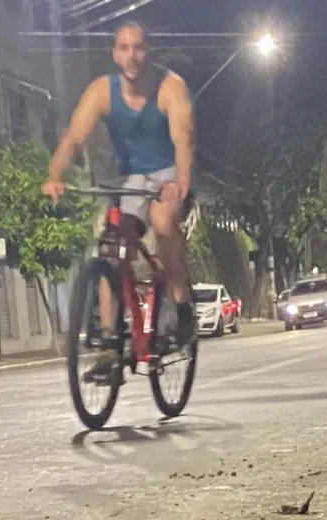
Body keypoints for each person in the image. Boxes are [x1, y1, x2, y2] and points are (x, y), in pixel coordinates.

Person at [42, 20, 198, 351]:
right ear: (115, 54)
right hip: (132, 180)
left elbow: (183, 137)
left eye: (139, 48)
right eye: (124, 48)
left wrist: (181, 182)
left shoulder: (170, 86)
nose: (132, 56)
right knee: (112, 248)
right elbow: (72, 136)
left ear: (149, 50)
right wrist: (55, 176)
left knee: (161, 221)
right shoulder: (102, 91)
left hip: (168, 174)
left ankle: (181, 304)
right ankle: (109, 339)